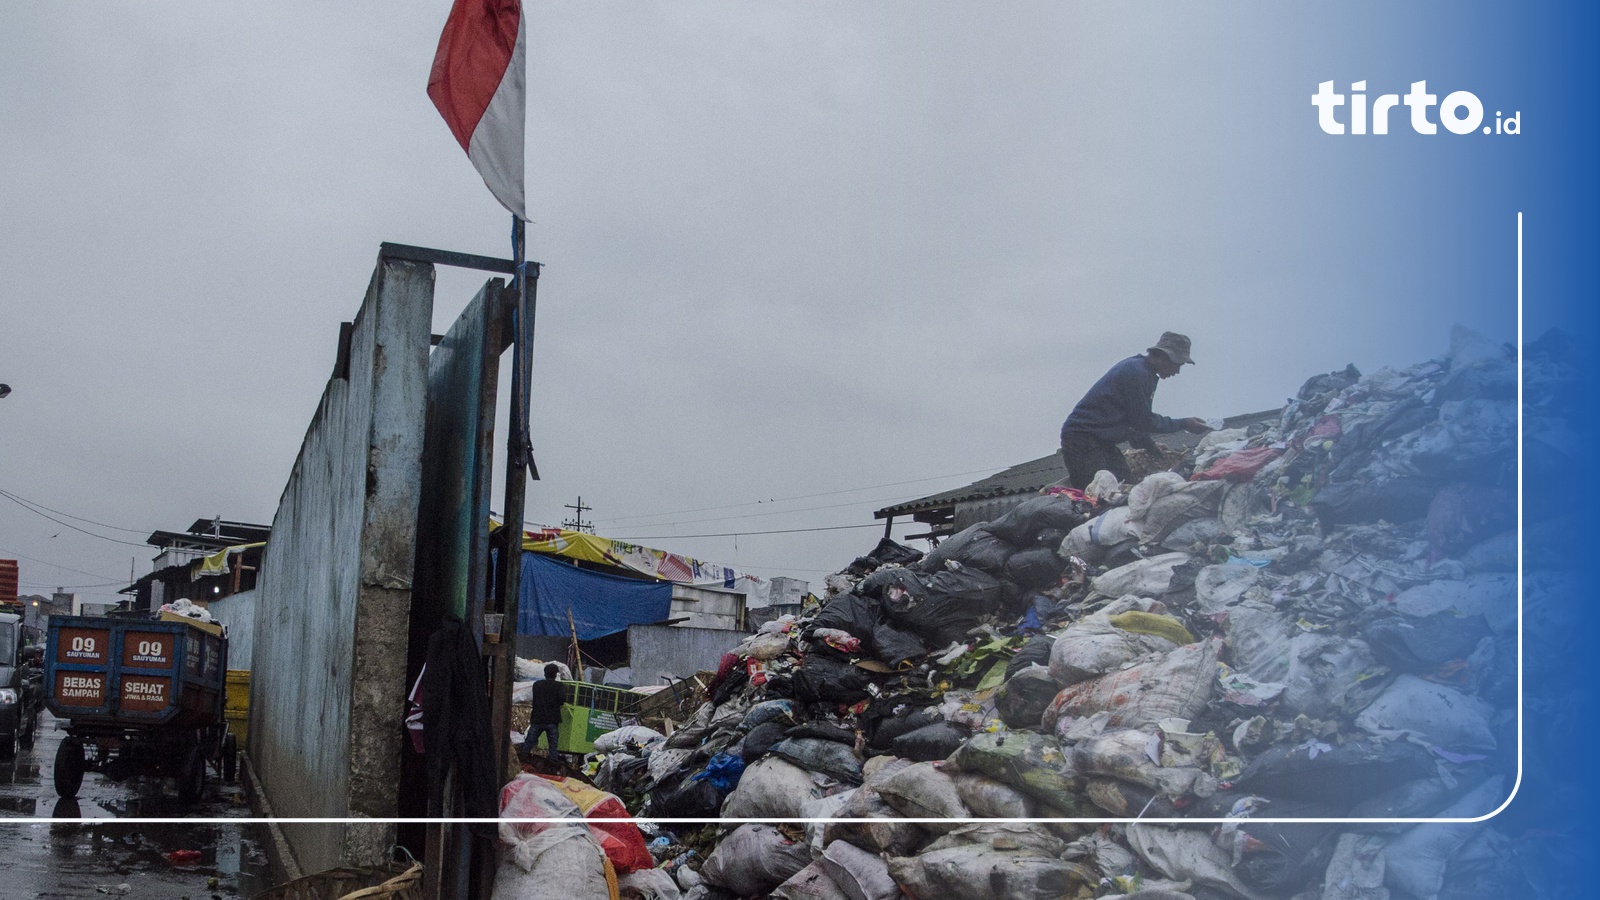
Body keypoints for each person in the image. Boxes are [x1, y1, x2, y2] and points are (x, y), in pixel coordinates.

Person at [1059, 331, 1211, 489]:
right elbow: (1144, 421)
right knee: (1097, 496)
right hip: (1082, 439)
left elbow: (1134, 421)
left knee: (1128, 488)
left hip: (1102, 442)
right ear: (1165, 357)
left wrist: (1149, 445)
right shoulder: (1137, 373)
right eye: (1178, 365)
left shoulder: (1145, 373)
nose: (1177, 371)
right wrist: (1184, 424)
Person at [521, 663, 564, 758]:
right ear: (555, 675)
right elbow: (562, 700)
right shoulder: (559, 686)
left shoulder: (536, 685)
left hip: (537, 718)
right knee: (553, 748)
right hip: (552, 720)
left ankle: (522, 762)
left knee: (528, 745)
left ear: (545, 674)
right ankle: (553, 767)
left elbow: (535, 699)